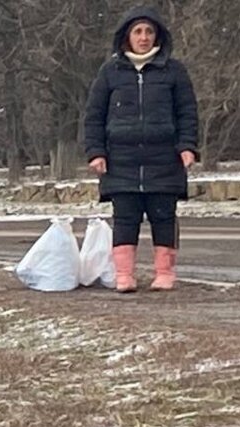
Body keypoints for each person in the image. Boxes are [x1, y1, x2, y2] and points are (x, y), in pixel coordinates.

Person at [82, 6, 199, 292]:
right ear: (127, 37)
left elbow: (187, 112)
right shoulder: (110, 72)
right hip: (122, 160)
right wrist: (96, 151)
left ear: (157, 36)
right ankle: (125, 275)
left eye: (149, 31)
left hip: (164, 159)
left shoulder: (174, 70)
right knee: (125, 219)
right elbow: (94, 115)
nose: (144, 37)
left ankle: (164, 273)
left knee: (164, 218)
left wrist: (188, 146)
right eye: (138, 32)